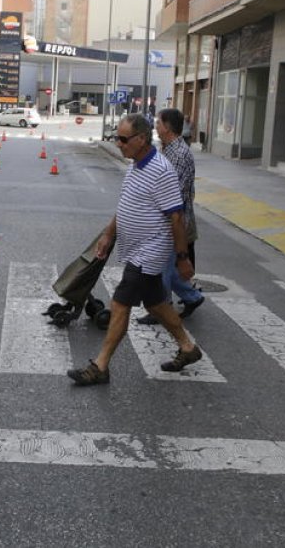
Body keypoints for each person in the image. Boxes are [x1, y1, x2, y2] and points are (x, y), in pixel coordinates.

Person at [67, 113, 202, 386]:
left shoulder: (161, 171)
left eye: (123, 138)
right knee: (156, 304)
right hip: (136, 248)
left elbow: (176, 217)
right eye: (117, 137)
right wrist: (108, 234)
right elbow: (126, 205)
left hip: (150, 251)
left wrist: (182, 258)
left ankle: (100, 366)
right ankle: (188, 348)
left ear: (141, 139)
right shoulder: (135, 166)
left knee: (120, 304)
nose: (118, 143)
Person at [138, 108, 205, 325]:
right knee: (167, 265)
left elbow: (171, 190)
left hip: (172, 218)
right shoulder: (166, 149)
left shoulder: (179, 154)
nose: (155, 126)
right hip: (165, 217)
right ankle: (192, 297)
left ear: (168, 127)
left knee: (162, 266)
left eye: (158, 123)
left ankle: (161, 308)